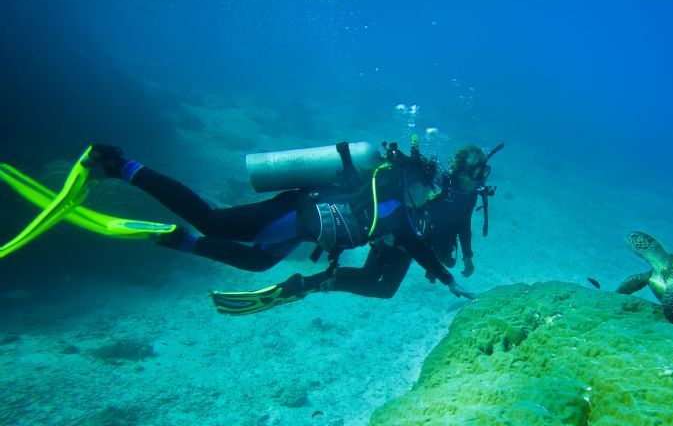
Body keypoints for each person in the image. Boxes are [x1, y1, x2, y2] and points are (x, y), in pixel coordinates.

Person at [86, 141, 476, 303]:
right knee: (213, 221)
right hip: (294, 216)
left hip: (302, 227)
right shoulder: (391, 193)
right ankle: (120, 164)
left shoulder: (389, 194)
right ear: (415, 181)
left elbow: (401, 235)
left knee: (257, 261)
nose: (425, 199)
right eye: (426, 190)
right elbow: (410, 239)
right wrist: (447, 279)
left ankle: (179, 239)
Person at [211, 144, 503, 315]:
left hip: (411, 243)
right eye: (477, 171)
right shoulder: (437, 185)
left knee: (381, 288)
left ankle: (308, 284)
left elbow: (463, 222)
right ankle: (305, 285)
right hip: (397, 237)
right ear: (460, 170)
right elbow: (405, 210)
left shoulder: (471, 194)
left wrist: (467, 254)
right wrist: (438, 269)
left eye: (484, 172)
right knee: (375, 281)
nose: (481, 178)